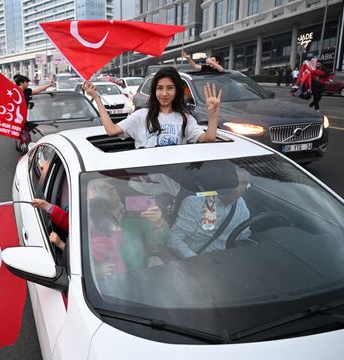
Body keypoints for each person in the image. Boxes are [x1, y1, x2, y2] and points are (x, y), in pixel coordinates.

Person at [83, 67, 221, 149]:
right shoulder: (141, 116)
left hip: (174, 187)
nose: (164, 93)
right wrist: (97, 98)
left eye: (170, 88)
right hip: (143, 186)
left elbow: (208, 139)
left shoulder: (185, 118)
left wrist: (213, 115)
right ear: (154, 91)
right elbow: (111, 130)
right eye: (160, 88)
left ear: (177, 91)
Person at [167, 168, 252, 259]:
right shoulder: (195, 203)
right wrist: (195, 260)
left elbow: (243, 237)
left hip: (226, 262)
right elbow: (174, 238)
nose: (238, 189)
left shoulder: (242, 206)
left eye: (243, 183)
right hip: (194, 261)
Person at [14, 74, 55, 151]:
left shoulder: (27, 91)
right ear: (22, 83)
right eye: (27, 82)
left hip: (25, 119)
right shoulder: (13, 91)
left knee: (30, 137)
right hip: (17, 119)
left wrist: (49, 85)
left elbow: (38, 90)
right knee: (22, 141)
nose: (28, 84)